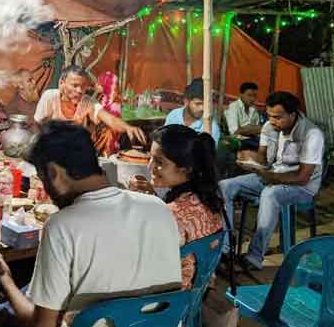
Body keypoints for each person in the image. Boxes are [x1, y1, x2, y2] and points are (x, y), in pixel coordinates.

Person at [0, 121, 182, 327]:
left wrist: (4, 277)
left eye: (43, 179)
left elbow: (43, 324)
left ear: (54, 173)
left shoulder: (62, 226)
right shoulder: (159, 208)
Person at [219, 92, 324, 270]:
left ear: (293, 114)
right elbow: (264, 161)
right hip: (274, 176)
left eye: (277, 117)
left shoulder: (312, 134)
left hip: (302, 188)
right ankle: (225, 249)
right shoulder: (272, 126)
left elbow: (302, 177)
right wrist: (251, 160)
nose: (272, 121)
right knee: (225, 186)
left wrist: (271, 177)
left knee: (270, 194)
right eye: (269, 116)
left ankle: (254, 257)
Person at [127, 125, 224, 289]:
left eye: (159, 162)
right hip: (197, 290)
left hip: (171, 299)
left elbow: (145, 256)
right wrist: (155, 199)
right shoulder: (208, 199)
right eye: (150, 158)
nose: (150, 167)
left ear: (186, 168)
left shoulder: (171, 215)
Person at [34, 66, 146, 145]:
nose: (79, 91)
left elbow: (110, 119)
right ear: (61, 83)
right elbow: (38, 127)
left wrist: (128, 127)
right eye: (75, 85)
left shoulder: (87, 102)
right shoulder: (49, 97)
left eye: (83, 87)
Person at [165, 78, 221, 144]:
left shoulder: (211, 127)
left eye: (205, 104)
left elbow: (208, 154)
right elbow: (164, 141)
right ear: (186, 101)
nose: (202, 108)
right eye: (198, 103)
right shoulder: (173, 116)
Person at [92, 71, 123, 156]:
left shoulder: (115, 101)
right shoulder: (101, 96)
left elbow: (112, 122)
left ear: (107, 85)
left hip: (107, 133)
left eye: (99, 84)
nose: (96, 85)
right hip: (99, 129)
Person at [224, 82, 262, 149]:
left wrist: (246, 129)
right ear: (241, 95)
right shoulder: (233, 107)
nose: (252, 99)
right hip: (239, 141)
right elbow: (234, 131)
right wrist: (251, 129)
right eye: (249, 95)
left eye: (254, 96)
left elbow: (259, 129)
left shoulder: (253, 109)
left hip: (253, 139)